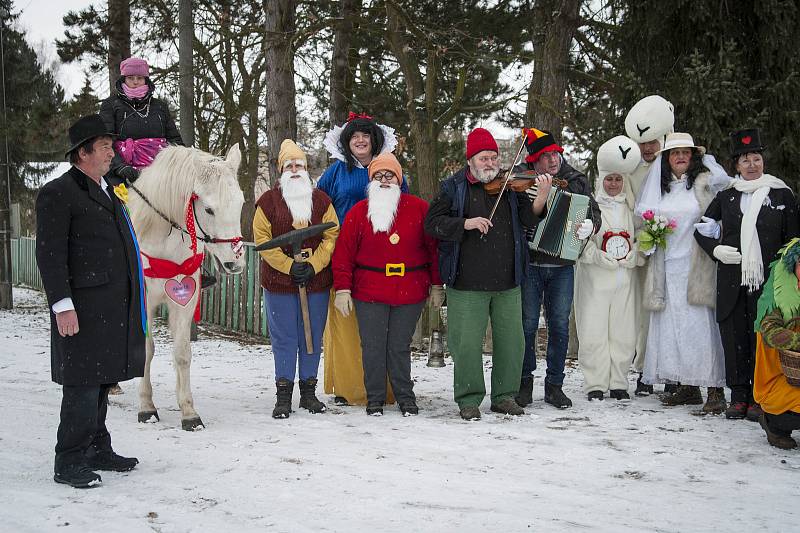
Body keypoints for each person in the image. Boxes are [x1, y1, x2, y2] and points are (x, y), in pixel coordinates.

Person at [35, 114, 146, 488]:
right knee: (82, 385)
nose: (111, 153)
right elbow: (50, 255)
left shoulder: (108, 189)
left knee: (101, 382)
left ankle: (98, 446)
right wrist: (61, 304)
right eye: (104, 147)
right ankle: (68, 460)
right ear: (83, 152)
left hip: (112, 308)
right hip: (81, 309)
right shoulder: (59, 192)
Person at [424, 128, 540, 420]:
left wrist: (543, 195)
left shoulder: (510, 187)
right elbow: (432, 223)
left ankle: (504, 396)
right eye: (483, 158)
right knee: (465, 345)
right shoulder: (453, 187)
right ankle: (468, 399)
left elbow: (529, 220)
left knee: (512, 343)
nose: (490, 163)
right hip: (466, 282)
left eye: (493, 157)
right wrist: (465, 223)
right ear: (471, 160)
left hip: (508, 280)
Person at [694, 129, 798, 420]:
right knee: (734, 337)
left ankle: (760, 396)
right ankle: (738, 396)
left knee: (761, 339)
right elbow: (702, 228)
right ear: (736, 166)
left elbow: (794, 241)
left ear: (763, 161)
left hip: (769, 282)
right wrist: (716, 251)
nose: (752, 164)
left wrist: (783, 272)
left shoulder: (781, 194)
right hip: (731, 279)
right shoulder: (727, 196)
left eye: (756, 158)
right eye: (745, 160)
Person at [332, 153, 443, 416]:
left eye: (390, 175)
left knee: (399, 346)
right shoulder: (359, 212)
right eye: (378, 176)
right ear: (370, 181)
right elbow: (343, 254)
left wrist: (437, 284)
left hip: (410, 289)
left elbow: (434, 250)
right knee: (372, 346)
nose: (384, 180)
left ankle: (405, 397)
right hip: (369, 290)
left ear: (399, 179)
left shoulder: (418, 208)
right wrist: (343, 289)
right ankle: (375, 399)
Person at [636, 132, 730, 414]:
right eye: (674, 153)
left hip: (696, 265)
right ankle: (687, 387)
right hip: (666, 268)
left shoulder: (704, 184)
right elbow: (645, 222)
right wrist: (649, 241)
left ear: (693, 157)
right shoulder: (660, 189)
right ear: (666, 159)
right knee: (673, 328)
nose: (680, 157)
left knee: (701, 328)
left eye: (685, 153)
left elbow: (720, 209)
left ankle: (714, 390)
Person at [318, 113, 404, 406]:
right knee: (345, 323)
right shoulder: (335, 173)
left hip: (380, 258)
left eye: (365, 135)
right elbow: (318, 207)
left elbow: (405, 209)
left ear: (374, 139)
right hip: (342, 254)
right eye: (355, 136)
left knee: (380, 325)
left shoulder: (389, 171)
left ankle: (383, 387)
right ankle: (347, 387)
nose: (360, 140)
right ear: (347, 141)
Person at [514, 128, 600, 409]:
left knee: (559, 326)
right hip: (531, 262)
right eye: (545, 156)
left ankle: (554, 386)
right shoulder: (522, 180)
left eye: (555, 154)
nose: (552, 160)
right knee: (526, 325)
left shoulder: (575, 180)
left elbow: (593, 212)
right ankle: (524, 383)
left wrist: (591, 226)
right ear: (534, 161)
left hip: (562, 265)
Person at [253, 139, 339, 419]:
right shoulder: (267, 202)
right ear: (281, 170)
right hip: (279, 283)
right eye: (288, 165)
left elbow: (331, 234)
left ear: (306, 169)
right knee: (284, 338)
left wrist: (313, 265)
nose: (294, 170)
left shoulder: (321, 201)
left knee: (311, 336)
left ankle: (309, 393)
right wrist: (289, 266)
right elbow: (262, 240)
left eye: (299, 165)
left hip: (316, 282)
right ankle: (283, 395)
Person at [575, 136, 643, 401]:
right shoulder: (591, 206)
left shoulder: (631, 208)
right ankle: (595, 382)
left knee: (624, 331)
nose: (613, 184)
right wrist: (596, 256)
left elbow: (643, 237)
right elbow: (581, 240)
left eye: (618, 179)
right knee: (593, 330)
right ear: (601, 180)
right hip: (595, 280)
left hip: (624, 278)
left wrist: (635, 255)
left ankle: (618, 381)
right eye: (609, 179)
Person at [624, 94, 675, 396]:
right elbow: (629, 206)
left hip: (674, 251)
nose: (647, 149)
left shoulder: (676, 165)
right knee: (645, 312)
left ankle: (670, 369)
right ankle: (644, 369)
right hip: (643, 247)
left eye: (653, 142)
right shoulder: (631, 169)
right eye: (643, 143)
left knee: (670, 312)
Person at [98, 56, 184, 184]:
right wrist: (120, 167)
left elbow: (175, 141)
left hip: (160, 173)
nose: (135, 82)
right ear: (123, 79)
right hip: (122, 174)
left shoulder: (160, 106)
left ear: (146, 80)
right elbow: (104, 143)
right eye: (130, 78)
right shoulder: (110, 105)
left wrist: (180, 162)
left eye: (140, 78)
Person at [752, 238, 800, 449]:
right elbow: (770, 332)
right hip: (781, 378)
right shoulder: (776, 297)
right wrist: (796, 340)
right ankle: (773, 423)